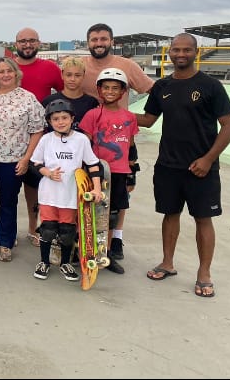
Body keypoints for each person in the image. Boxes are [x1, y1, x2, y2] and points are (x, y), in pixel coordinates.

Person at [137, 33, 230, 298]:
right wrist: (111, 113)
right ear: (170, 53)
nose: (181, 54)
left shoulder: (211, 86)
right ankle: (168, 263)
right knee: (170, 215)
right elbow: (147, 119)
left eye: (186, 50)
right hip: (168, 165)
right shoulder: (162, 86)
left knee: (203, 219)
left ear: (195, 51)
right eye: (176, 50)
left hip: (201, 167)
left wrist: (208, 159)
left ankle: (204, 273)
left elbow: (229, 125)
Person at [82, 23, 154, 261]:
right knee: (91, 193)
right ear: (88, 42)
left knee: (120, 196)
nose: (99, 43)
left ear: (111, 41)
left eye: (103, 39)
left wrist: (146, 119)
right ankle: (85, 238)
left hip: (122, 144)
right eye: (94, 39)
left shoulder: (127, 65)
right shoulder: (81, 66)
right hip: (93, 142)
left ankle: (117, 239)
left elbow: (154, 91)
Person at [0, 57, 44, 261]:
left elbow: (37, 130)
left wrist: (26, 159)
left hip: (13, 160)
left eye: (9, 71)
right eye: (1, 71)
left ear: (16, 73)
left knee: (8, 202)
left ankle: (5, 242)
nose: (5, 75)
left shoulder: (28, 98)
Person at [30, 99, 103, 281]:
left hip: (71, 195)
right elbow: (35, 163)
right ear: (49, 121)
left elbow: (94, 165)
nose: (60, 122)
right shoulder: (46, 140)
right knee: (47, 230)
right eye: (56, 119)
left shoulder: (81, 140)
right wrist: (47, 172)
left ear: (72, 119)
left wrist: (96, 188)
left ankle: (65, 263)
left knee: (67, 232)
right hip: (48, 194)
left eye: (64, 117)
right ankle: (44, 262)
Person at [80, 68, 139, 274]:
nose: (110, 91)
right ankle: (85, 250)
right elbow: (84, 144)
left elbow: (131, 147)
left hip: (120, 172)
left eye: (115, 88)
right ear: (99, 90)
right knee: (91, 212)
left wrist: (132, 174)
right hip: (97, 172)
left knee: (112, 215)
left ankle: (105, 254)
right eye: (106, 88)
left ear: (123, 92)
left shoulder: (130, 117)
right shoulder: (92, 114)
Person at [9, 28, 64, 247]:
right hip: (11, 140)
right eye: (22, 41)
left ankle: (34, 227)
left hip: (41, 139)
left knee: (36, 187)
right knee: (10, 191)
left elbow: (64, 94)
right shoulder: (9, 67)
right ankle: (8, 230)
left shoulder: (50, 68)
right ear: (16, 44)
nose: (27, 44)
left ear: (39, 43)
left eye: (31, 40)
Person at [42, 56, 99, 133]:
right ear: (62, 75)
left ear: (83, 76)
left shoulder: (92, 103)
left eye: (77, 75)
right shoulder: (49, 101)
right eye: (69, 75)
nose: (72, 79)